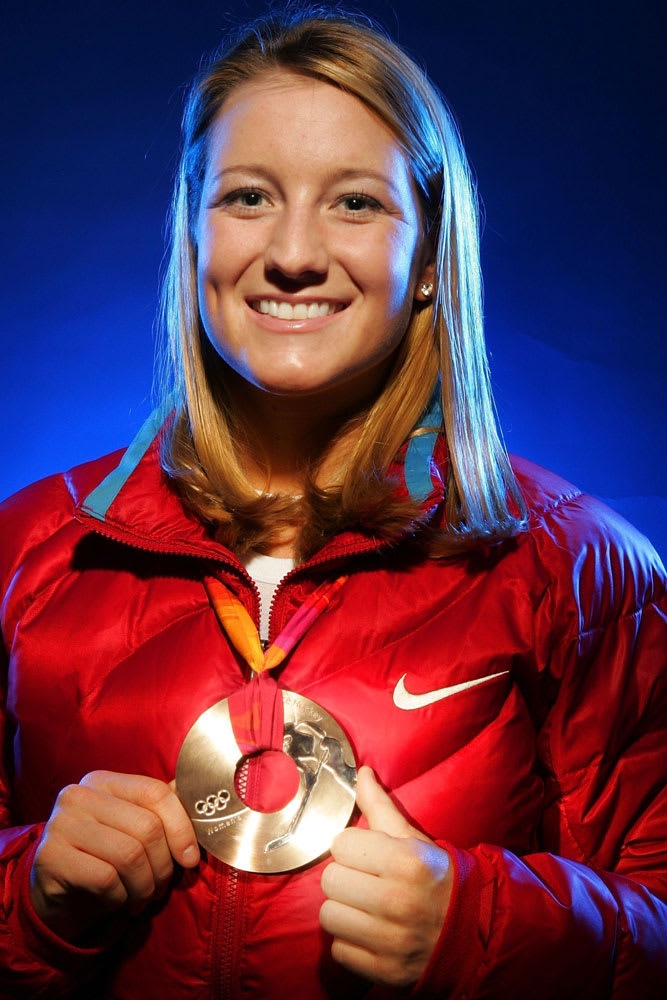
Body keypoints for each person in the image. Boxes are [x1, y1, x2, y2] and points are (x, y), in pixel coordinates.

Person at [1, 8, 665, 999]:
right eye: (247, 197)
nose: (295, 253)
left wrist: (480, 927)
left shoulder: (576, 568)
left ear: (432, 256)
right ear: (192, 234)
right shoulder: (31, 550)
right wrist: (34, 898)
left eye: (354, 202)